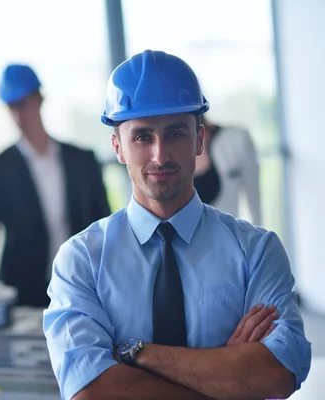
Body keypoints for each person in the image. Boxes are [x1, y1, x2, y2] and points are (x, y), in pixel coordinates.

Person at [43, 50, 311, 400]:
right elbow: (91, 392)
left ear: (200, 139)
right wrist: (227, 375)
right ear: (118, 147)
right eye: (142, 137)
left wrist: (136, 354)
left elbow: (277, 373)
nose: (160, 155)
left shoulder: (256, 251)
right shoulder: (80, 261)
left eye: (175, 134)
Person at [0, 64, 111, 307]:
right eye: (11, 107)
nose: (18, 115)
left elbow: (102, 220)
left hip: (82, 279)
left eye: (23, 104)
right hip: (24, 285)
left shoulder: (82, 160)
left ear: (39, 99)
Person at [194, 115, 262, 224]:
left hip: (228, 235)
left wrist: (257, 237)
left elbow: (254, 199)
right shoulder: (166, 152)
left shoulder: (237, 139)